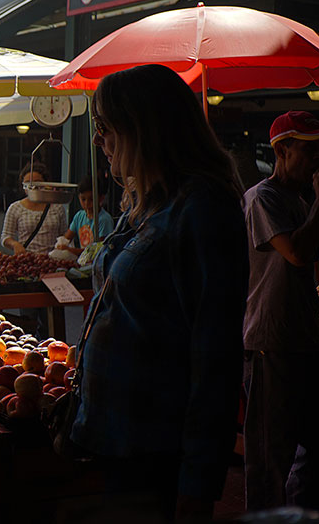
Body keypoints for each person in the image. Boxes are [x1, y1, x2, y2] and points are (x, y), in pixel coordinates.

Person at [71, 64, 248, 522]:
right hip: (118, 443)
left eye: (104, 128)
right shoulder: (147, 206)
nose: (98, 141)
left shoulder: (203, 209)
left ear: (141, 130)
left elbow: (216, 357)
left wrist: (198, 481)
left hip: (155, 453)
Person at [242, 111, 319, 513]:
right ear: (281, 150)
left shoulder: (298, 200)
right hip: (272, 345)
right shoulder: (262, 197)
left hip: (305, 342)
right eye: (308, 149)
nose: (317, 158)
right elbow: (298, 254)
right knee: (271, 460)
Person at [0, 162, 67, 255]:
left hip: (52, 260)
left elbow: (64, 236)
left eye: (37, 182)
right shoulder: (15, 208)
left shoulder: (57, 208)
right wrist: (15, 244)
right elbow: (5, 236)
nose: (33, 186)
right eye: (28, 183)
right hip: (27, 260)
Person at [62, 175, 115, 249]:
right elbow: (66, 239)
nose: (87, 204)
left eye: (91, 199)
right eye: (83, 199)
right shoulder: (79, 216)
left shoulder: (104, 220)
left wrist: (70, 250)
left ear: (101, 198)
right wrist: (61, 244)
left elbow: (98, 251)